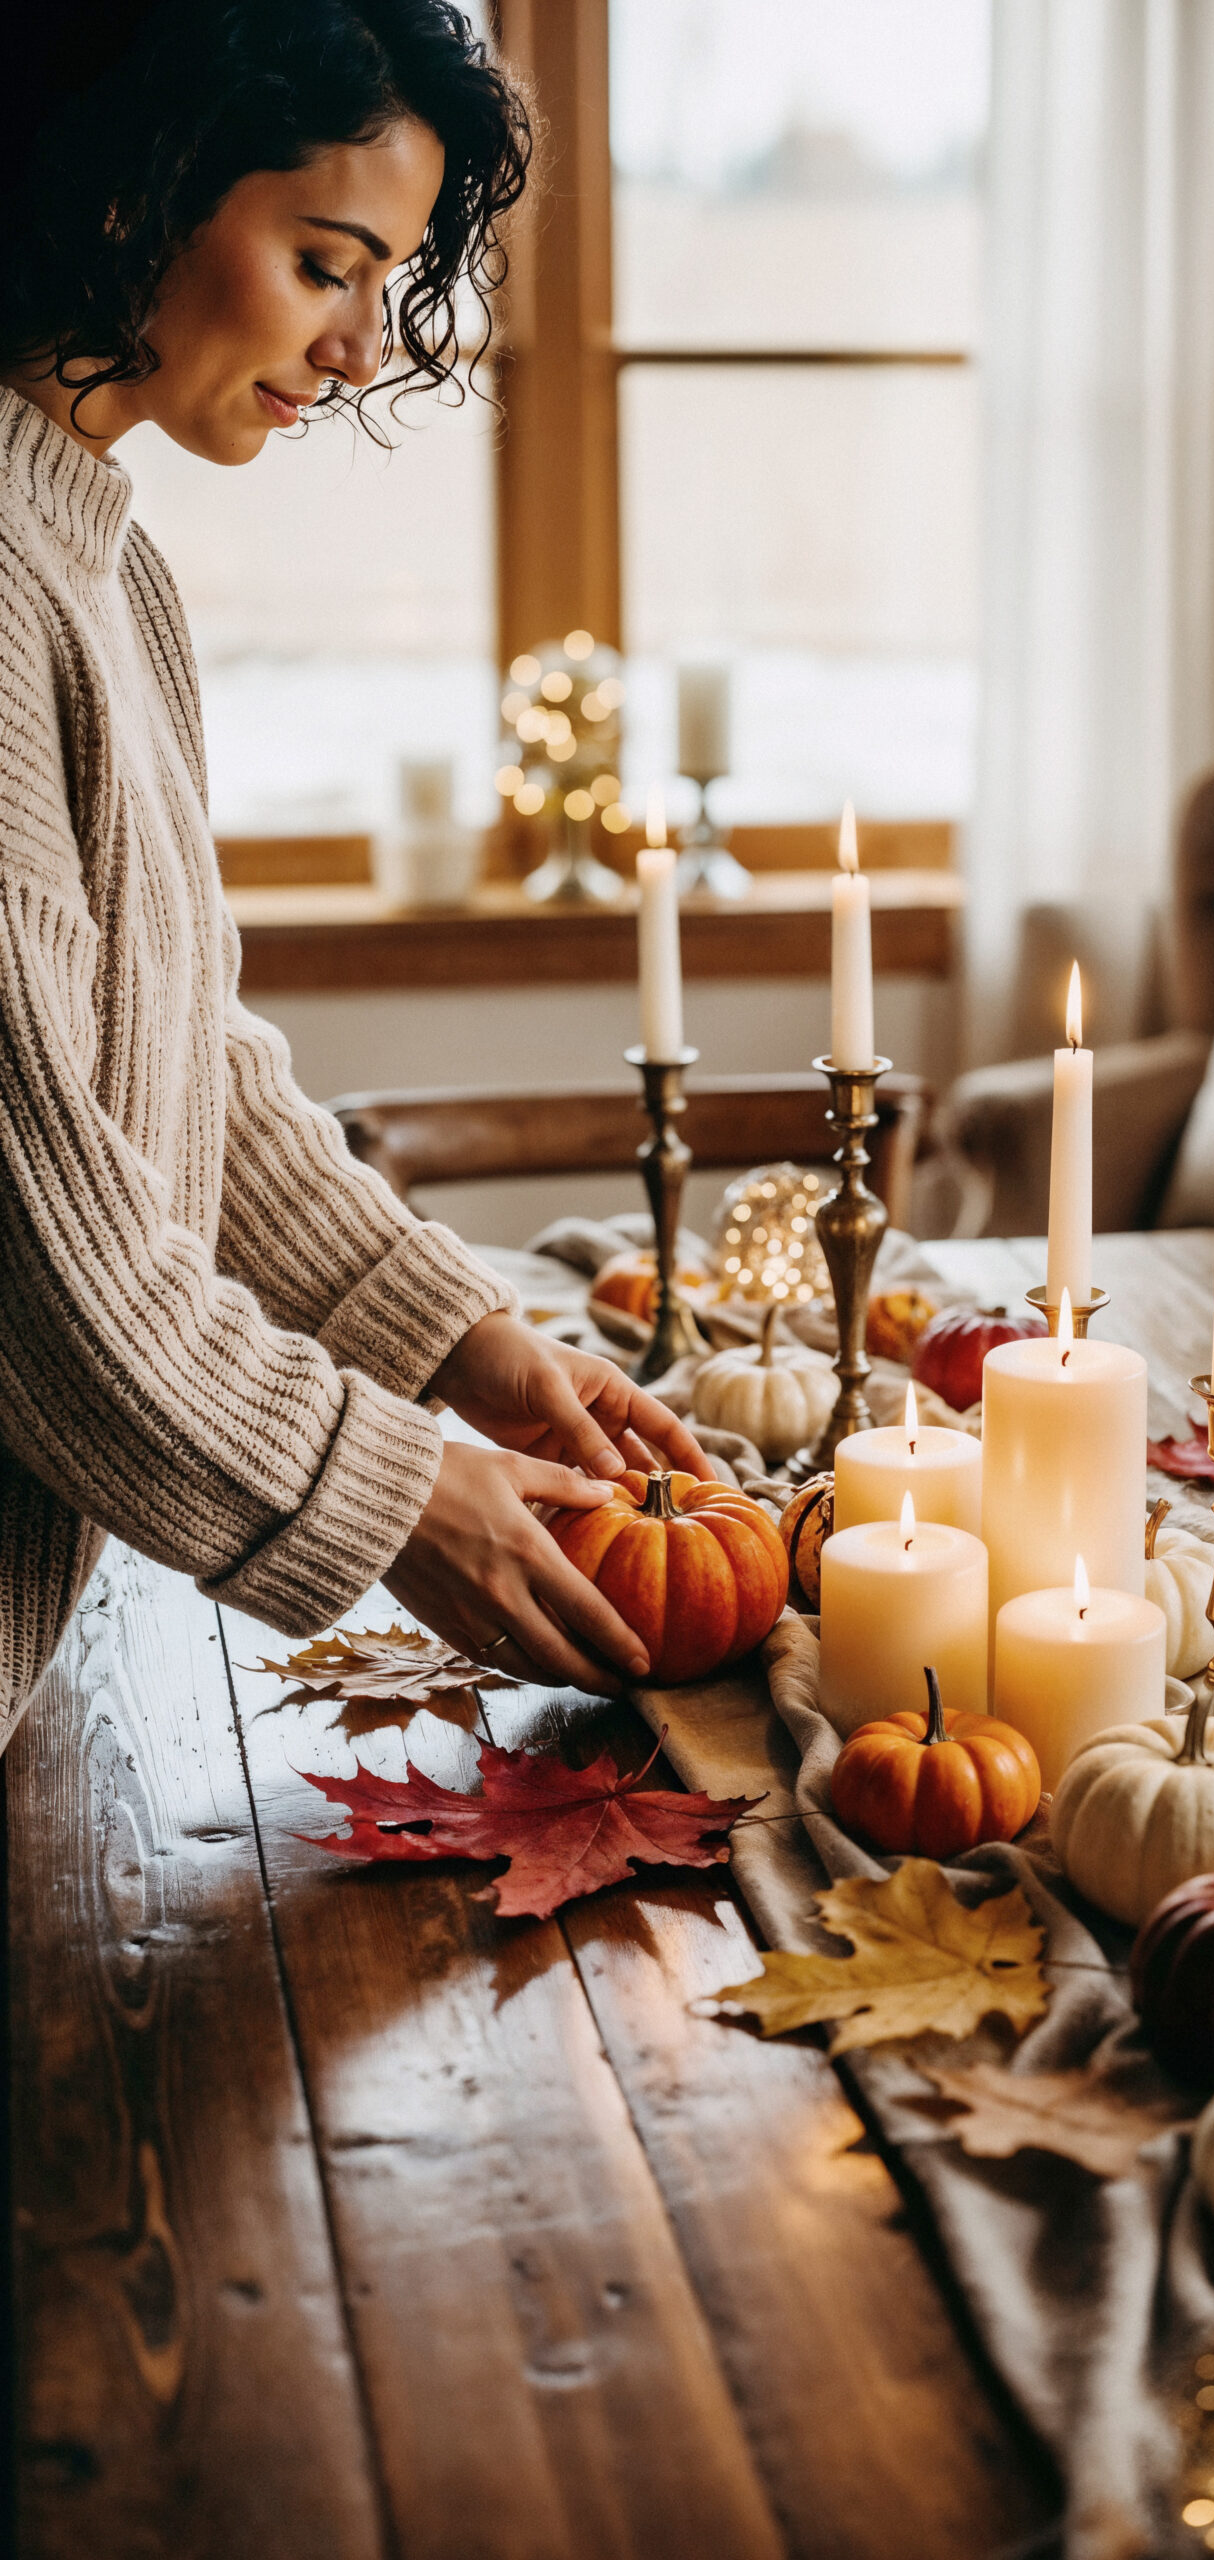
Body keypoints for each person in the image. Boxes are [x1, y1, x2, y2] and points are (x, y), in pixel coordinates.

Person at [0, 0, 712, 1747]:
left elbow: (175, 1069)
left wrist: (458, 1335)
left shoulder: (100, 565)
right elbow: (30, 1229)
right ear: (136, 190)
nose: (361, 348)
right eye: (329, 263)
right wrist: (391, 1492)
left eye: (384, 282)